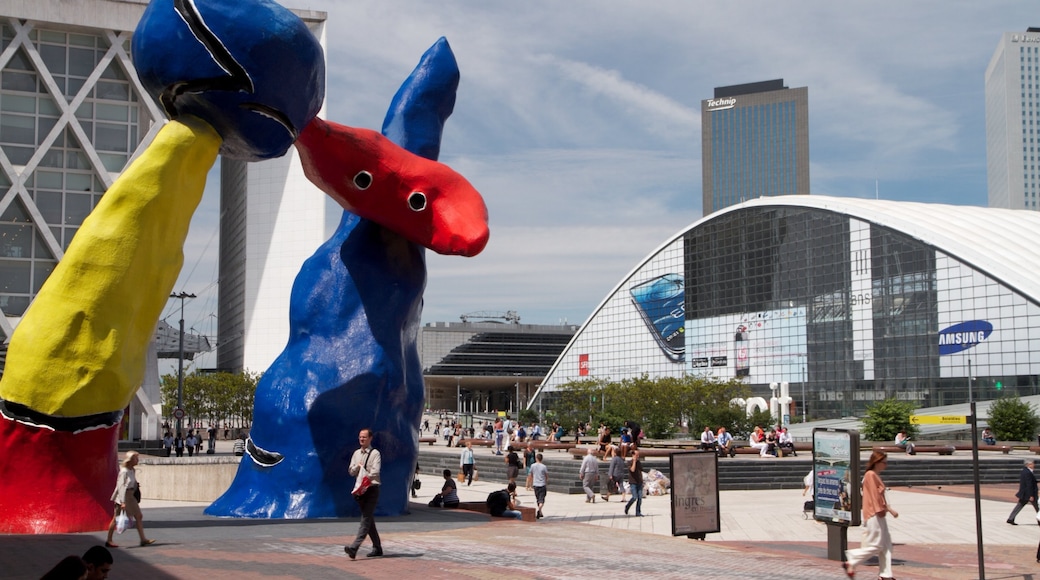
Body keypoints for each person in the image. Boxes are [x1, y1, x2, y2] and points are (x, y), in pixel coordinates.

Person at [844, 450, 898, 580]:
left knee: (886, 545)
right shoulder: (870, 475)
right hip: (874, 513)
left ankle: (886, 574)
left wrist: (889, 509)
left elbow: (881, 495)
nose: (886, 465)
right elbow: (874, 495)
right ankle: (852, 560)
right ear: (877, 462)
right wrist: (880, 510)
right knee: (877, 545)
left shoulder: (874, 475)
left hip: (879, 513)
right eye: (884, 463)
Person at [344, 428, 383, 560]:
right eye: (360, 437)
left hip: (371, 489)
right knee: (369, 519)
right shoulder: (356, 453)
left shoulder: (375, 453)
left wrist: (365, 474)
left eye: (364, 437)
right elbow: (351, 471)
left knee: (365, 519)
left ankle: (354, 548)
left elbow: (375, 472)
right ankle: (377, 547)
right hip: (360, 491)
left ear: (370, 438)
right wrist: (356, 467)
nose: (361, 439)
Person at [105, 451, 155, 548]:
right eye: (136, 458)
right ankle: (109, 540)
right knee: (116, 519)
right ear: (131, 459)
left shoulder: (132, 470)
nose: (138, 460)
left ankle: (143, 539)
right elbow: (120, 487)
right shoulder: (124, 471)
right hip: (123, 496)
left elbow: (132, 482)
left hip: (130, 495)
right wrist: (123, 502)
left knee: (139, 516)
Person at [1007, 459, 1038, 525]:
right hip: (1028, 493)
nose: (1034, 465)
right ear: (1028, 465)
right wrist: (1031, 495)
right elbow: (1029, 484)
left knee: (1019, 505)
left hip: (1025, 493)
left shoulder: (1025, 471)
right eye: (1032, 464)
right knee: (1037, 507)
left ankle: (1010, 518)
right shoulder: (1027, 472)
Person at [624, 448, 644, 517]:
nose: (637, 456)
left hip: (639, 482)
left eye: (638, 455)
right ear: (633, 455)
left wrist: (642, 480)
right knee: (634, 497)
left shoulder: (639, 463)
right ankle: (627, 506)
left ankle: (638, 512)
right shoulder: (629, 462)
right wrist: (634, 461)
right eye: (636, 455)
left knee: (640, 498)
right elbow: (632, 470)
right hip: (633, 482)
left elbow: (641, 471)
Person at [530, 452, 548, 519]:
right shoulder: (544, 467)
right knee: (542, 499)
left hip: (535, 484)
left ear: (536, 458)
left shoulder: (532, 466)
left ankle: (540, 512)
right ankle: (539, 510)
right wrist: (546, 482)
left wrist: (531, 482)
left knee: (538, 499)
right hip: (542, 484)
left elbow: (531, 475)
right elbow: (546, 476)